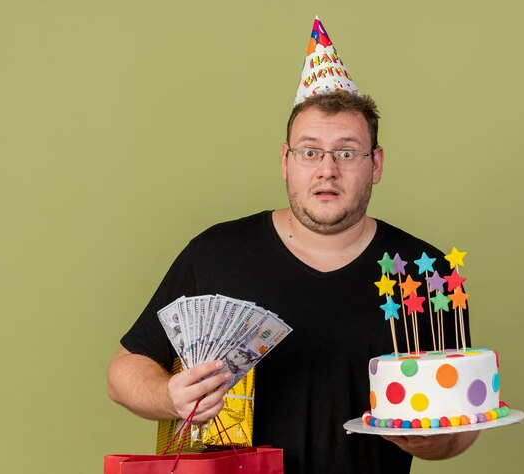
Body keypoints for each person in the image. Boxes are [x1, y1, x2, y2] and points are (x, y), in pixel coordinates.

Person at [107, 90, 479, 473]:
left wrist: (436, 441)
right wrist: (170, 398)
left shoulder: (425, 274)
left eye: (347, 152)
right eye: (310, 151)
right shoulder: (215, 254)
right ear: (286, 161)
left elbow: (464, 425)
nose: (327, 169)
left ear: (377, 164)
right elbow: (123, 371)